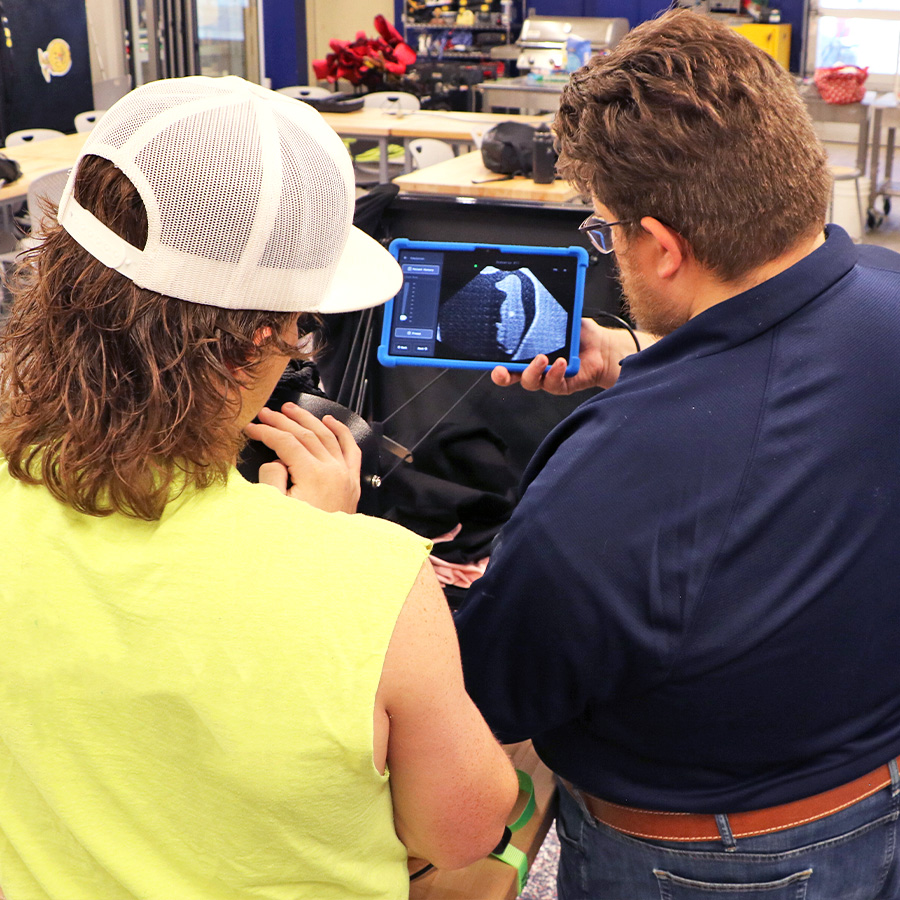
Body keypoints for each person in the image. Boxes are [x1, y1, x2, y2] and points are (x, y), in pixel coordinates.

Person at [0, 76, 518, 900]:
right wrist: (322, 550)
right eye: (301, 336)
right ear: (255, 344)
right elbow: (463, 831)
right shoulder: (370, 582)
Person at [454, 10, 900, 899]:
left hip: (706, 864)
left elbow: (494, 691)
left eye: (605, 229)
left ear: (659, 245)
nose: (607, 245)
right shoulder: (887, 293)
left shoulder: (618, 468)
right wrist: (644, 358)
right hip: (871, 788)